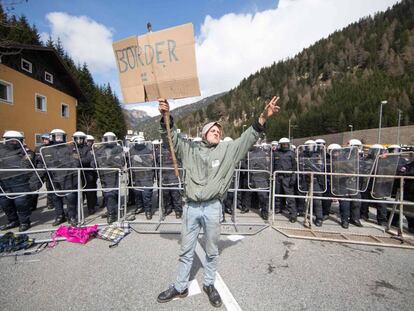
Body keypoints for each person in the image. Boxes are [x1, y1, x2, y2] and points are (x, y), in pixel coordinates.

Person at [157, 96, 281, 307]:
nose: (217, 133)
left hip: (214, 207)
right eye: (213, 131)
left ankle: (209, 284)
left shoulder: (228, 150)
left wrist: (262, 117)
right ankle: (180, 287)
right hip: (191, 208)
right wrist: (165, 117)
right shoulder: (189, 149)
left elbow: (247, 138)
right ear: (204, 134)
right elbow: (171, 137)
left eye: (219, 131)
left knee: (212, 250)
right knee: (186, 250)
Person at [0, 131, 35, 231]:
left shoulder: (25, 151)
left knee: (21, 203)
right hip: (4, 181)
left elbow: (26, 164)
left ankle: (24, 222)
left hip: (20, 181)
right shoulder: (1, 150)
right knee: (5, 203)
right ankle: (13, 220)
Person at [273, 137, 297, 222]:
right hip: (278, 176)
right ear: (280, 145)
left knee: (289, 196)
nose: (285, 145)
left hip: (288, 177)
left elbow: (295, 167)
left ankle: (293, 214)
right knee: (277, 194)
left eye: (286, 144)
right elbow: (272, 165)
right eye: (283, 144)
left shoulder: (291, 154)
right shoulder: (276, 153)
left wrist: (293, 178)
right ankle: (278, 208)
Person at [73, 131, 97, 215]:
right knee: (77, 192)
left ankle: (91, 207)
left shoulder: (88, 148)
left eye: (81, 139)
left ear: (84, 139)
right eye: (77, 139)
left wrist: (78, 159)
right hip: (75, 174)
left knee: (89, 192)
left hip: (87, 173)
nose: (79, 141)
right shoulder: (71, 148)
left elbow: (88, 159)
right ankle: (78, 209)